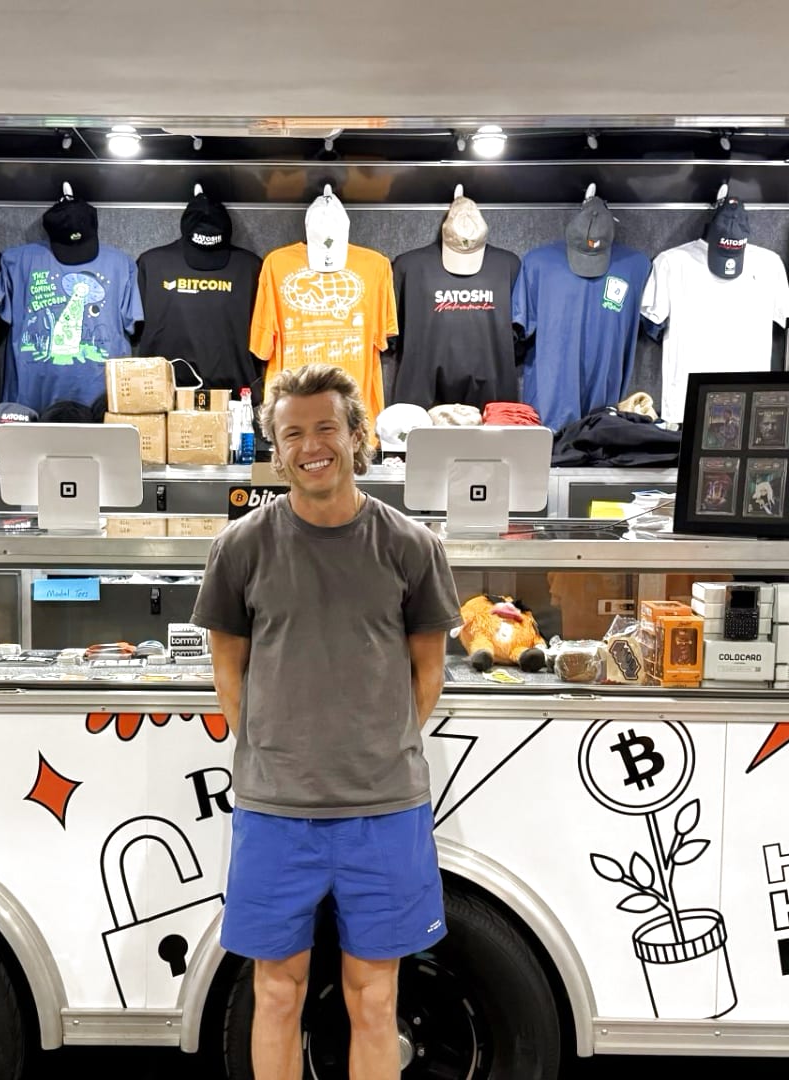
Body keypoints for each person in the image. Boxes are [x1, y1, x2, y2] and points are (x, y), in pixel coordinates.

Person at [191, 362, 461, 1079]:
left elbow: (428, 675)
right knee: (277, 993)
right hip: (275, 811)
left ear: (355, 436)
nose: (312, 446)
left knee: (375, 998)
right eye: (293, 434)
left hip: (386, 810)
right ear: (276, 450)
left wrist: (373, 747)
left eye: (326, 428)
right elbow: (228, 672)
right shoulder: (241, 548)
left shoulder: (411, 546)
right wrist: (277, 753)